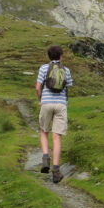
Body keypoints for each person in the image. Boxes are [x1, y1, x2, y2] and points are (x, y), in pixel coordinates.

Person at [36, 45, 73, 183]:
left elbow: (37, 87)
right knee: (56, 136)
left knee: (43, 131)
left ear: (49, 56)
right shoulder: (66, 70)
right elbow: (68, 86)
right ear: (60, 56)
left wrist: (41, 100)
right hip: (61, 104)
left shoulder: (43, 68)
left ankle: (45, 158)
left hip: (46, 103)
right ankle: (56, 171)